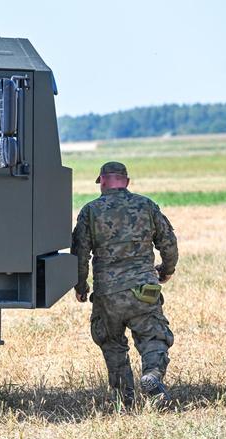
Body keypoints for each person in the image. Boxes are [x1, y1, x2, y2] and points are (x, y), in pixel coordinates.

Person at [71, 161, 178, 405]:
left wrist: (80, 286)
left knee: (111, 343)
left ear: (103, 181)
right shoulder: (146, 205)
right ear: (126, 182)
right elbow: (169, 243)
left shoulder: (90, 211)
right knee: (153, 337)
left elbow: (79, 254)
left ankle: (124, 399)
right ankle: (152, 374)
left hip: (108, 294)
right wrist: (166, 270)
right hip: (144, 290)